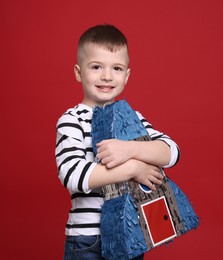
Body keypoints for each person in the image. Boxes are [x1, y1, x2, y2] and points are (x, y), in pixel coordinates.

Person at [55, 24, 180, 260]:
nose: (107, 76)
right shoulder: (72, 120)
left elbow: (171, 151)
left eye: (117, 68)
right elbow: (73, 176)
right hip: (87, 241)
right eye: (96, 67)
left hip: (130, 232)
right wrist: (133, 168)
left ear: (127, 76)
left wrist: (129, 149)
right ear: (79, 72)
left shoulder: (133, 118)